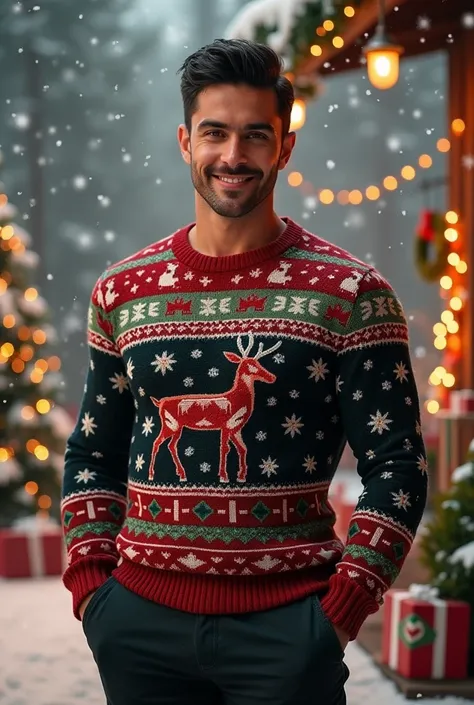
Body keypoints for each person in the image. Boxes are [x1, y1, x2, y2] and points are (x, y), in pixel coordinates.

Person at [61, 38, 428, 705]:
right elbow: (93, 449)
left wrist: (339, 609)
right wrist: (94, 587)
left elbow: (398, 463)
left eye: (255, 135)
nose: (233, 156)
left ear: (283, 147)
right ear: (185, 141)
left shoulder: (349, 293)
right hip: (139, 629)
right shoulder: (124, 290)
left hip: (288, 633)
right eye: (215, 133)